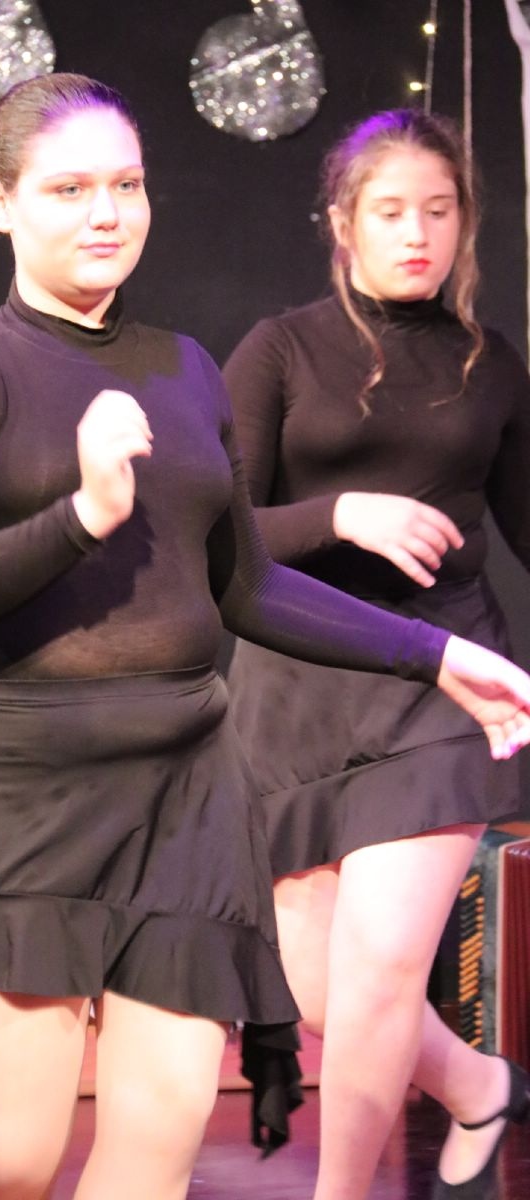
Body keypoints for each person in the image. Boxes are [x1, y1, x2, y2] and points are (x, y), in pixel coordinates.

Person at [0, 81, 530, 1200]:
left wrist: (437, 656)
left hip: (183, 797)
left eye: (125, 185)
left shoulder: (180, 367)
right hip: (18, 799)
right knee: (12, 1159)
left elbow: (247, 585)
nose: (106, 213)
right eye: (69, 189)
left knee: (158, 1144)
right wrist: (82, 515)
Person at [223, 108, 530, 1200]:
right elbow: (216, 532)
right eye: (391, 211)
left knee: (382, 974)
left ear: (464, 223)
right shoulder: (281, 349)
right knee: (318, 993)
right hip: (297, 693)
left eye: (438, 212)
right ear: (342, 222)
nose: (417, 234)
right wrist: (339, 514)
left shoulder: (487, 364)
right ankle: (478, 1086)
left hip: (440, 685)